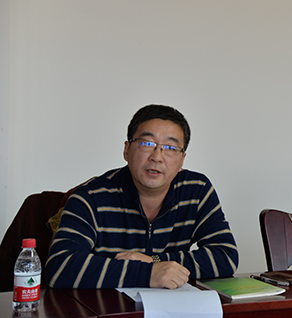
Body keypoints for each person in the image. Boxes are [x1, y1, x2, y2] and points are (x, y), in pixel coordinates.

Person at [46, 104, 238, 289]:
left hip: (171, 306)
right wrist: (147, 273)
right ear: (127, 150)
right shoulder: (91, 197)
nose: (157, 157)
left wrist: (156, 261)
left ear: (182, 160)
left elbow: (226, 256)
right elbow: (60, 266)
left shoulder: (196, 191)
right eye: (147, 144)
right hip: (108, 307)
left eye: (170, 148)